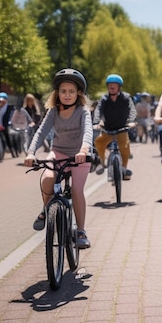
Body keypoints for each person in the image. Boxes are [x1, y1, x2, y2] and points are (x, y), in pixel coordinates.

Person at [24, 69, 93, 249]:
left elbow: (88, 132)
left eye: (71, 91)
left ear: (78, 93)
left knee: (77, 190)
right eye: (63, 91)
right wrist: (31, 152)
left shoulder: (83, 111)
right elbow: (41, 132)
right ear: (57, 93)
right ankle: (47, 210)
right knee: (47, 178)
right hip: (59, 153)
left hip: (80, 155)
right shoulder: (53, 111)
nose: (67, 95)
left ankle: (81, 231)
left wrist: (84, 149)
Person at [93, 74, 137, 179]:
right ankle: (102, 162)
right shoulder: (104, 99)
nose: (111, 87)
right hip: (107, 129)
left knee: (125, 147)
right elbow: (98, 110)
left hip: (122, 128)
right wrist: (96, 122)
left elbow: (132, 110)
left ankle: (124, 169)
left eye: (114, 85)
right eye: (109, 85)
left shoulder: (126, 98)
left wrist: (131, 121)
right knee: (98, 142)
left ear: (119, 87)